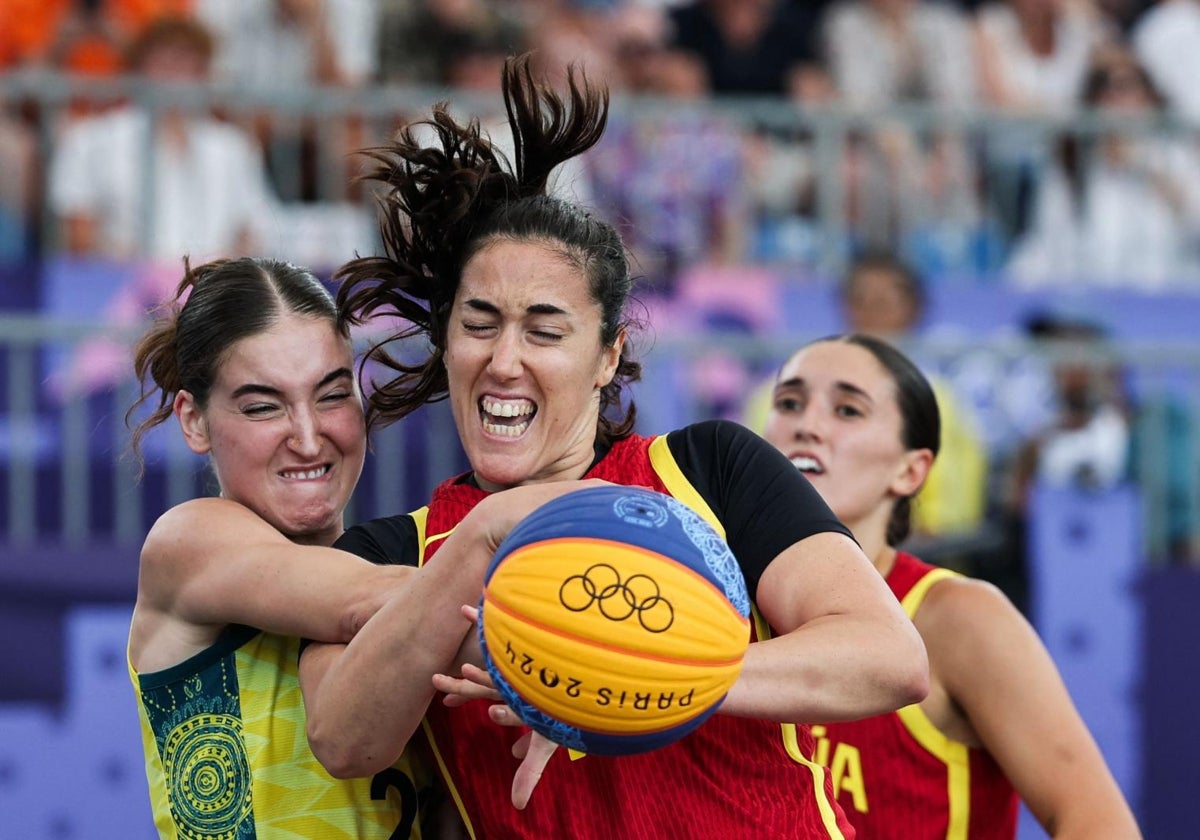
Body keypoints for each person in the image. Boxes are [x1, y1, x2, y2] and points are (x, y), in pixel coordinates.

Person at [297, 54, 929, 838]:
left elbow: (888, 657)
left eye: (545, 331)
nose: (503, 359)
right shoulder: (394, 550)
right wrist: (488, 536)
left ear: (606, 357)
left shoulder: (708, 469)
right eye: (479, 323)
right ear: (445, 340)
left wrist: (634, 674)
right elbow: (342, 739)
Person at [125, 254, 613, 837]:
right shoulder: (190, 542)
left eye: (332, 395)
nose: (308, 438)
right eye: (262, 406)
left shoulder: (416, 568)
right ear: (195, 420)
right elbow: (367, 601)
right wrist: (581, 649)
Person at [759, 332, 1142, 838]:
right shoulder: (715, 600)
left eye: (848, 410)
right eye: (789, 402)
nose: (807, 425)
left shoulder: (959, 618)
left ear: (910, 469)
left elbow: (1098, 823)